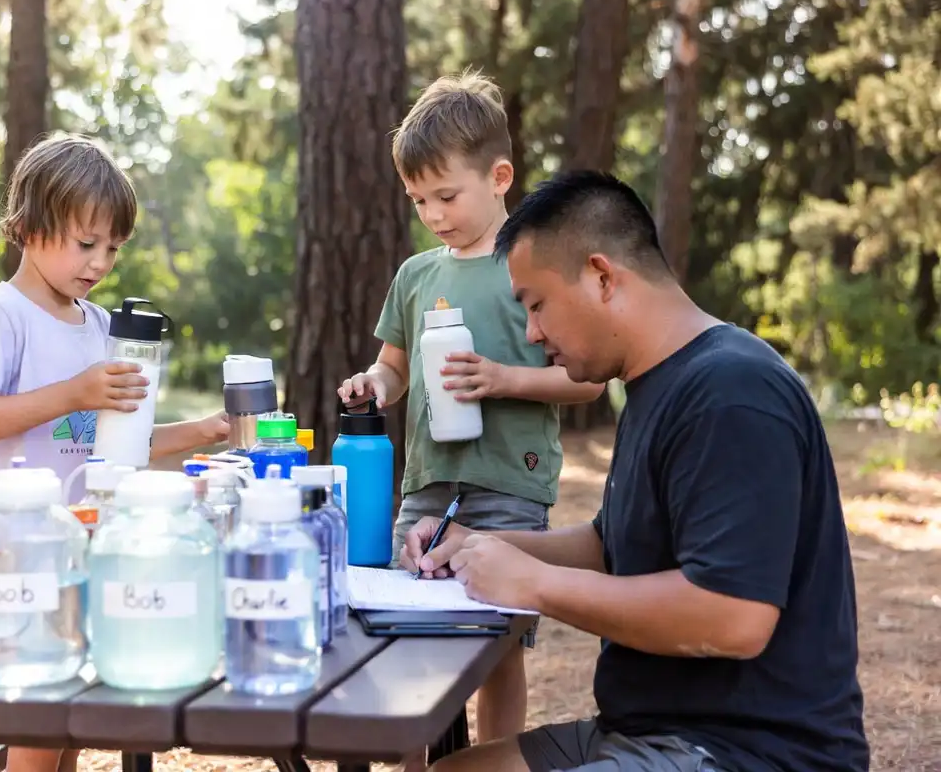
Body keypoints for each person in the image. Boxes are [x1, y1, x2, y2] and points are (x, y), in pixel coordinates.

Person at [400, 170, 869, 772]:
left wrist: (532, 585)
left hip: (744, 751)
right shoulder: (655, 384)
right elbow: (610, 544)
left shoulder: (733, 392)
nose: (531, 334)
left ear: (601, 276)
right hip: (640, 729)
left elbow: (734, 617)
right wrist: (479, 542)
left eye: (537, 305)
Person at [337, 72, 604, 766]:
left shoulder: (533, 267)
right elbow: (394, 368)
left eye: (446, 195)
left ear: (500, 176)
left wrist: (504, 378)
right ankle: (414, 760)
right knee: (411, 641)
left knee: (497, 646)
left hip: (509, 488)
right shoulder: (417, 276)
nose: (433, 213)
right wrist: (375, 383)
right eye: (418, 199)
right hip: (427, 487)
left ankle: (491, 760)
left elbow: (585, 379)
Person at [0, 132, 229, 772]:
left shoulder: (100, 326)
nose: (99, 263)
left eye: (113, 248)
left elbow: (121, 444)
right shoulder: (1, 314)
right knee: (43, 724)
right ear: (27, 226)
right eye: (85, 243)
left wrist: (207, 428)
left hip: (86, 549)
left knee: (69, 718)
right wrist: (73, 393)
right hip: (20, 554)